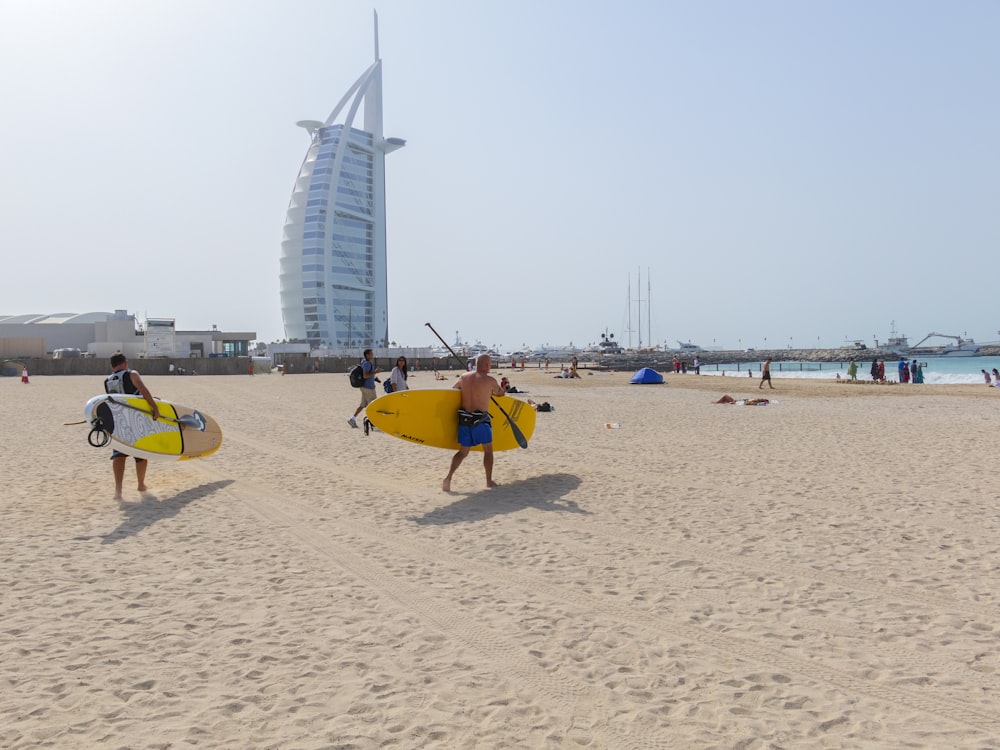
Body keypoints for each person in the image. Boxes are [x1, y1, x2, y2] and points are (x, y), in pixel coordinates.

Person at [442, 354, 505, 491]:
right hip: (480, 421)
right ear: (487, 365)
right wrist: (500, 390)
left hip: (464, 419)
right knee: (488, 451)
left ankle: (448, 478)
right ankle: (489, 481)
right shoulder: (490, 380)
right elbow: (500, 393)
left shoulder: (464, 377)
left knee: (463, 452)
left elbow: (454, 390)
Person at [104, 353, 160, 500]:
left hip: (119, 422)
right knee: (141, 453)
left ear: (112, 366)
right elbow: (143, 390)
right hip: (135, 420)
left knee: (119, 455)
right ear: (125, 363)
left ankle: (118, 490)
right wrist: (155, 407)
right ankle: (141, 484)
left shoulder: (107, 381)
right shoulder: (132, 374)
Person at [348, 349, 380, 428]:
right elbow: (365, 375)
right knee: (373, 406)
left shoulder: (364, 362)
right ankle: (373, 422)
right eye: (371, 353)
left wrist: (374, 378)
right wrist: (375, 372)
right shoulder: (367, 363)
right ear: (367, 355)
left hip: (365, 387)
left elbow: (366, 375)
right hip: (368, 388)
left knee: (362, 405)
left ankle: (352, 419)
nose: (372, 355)